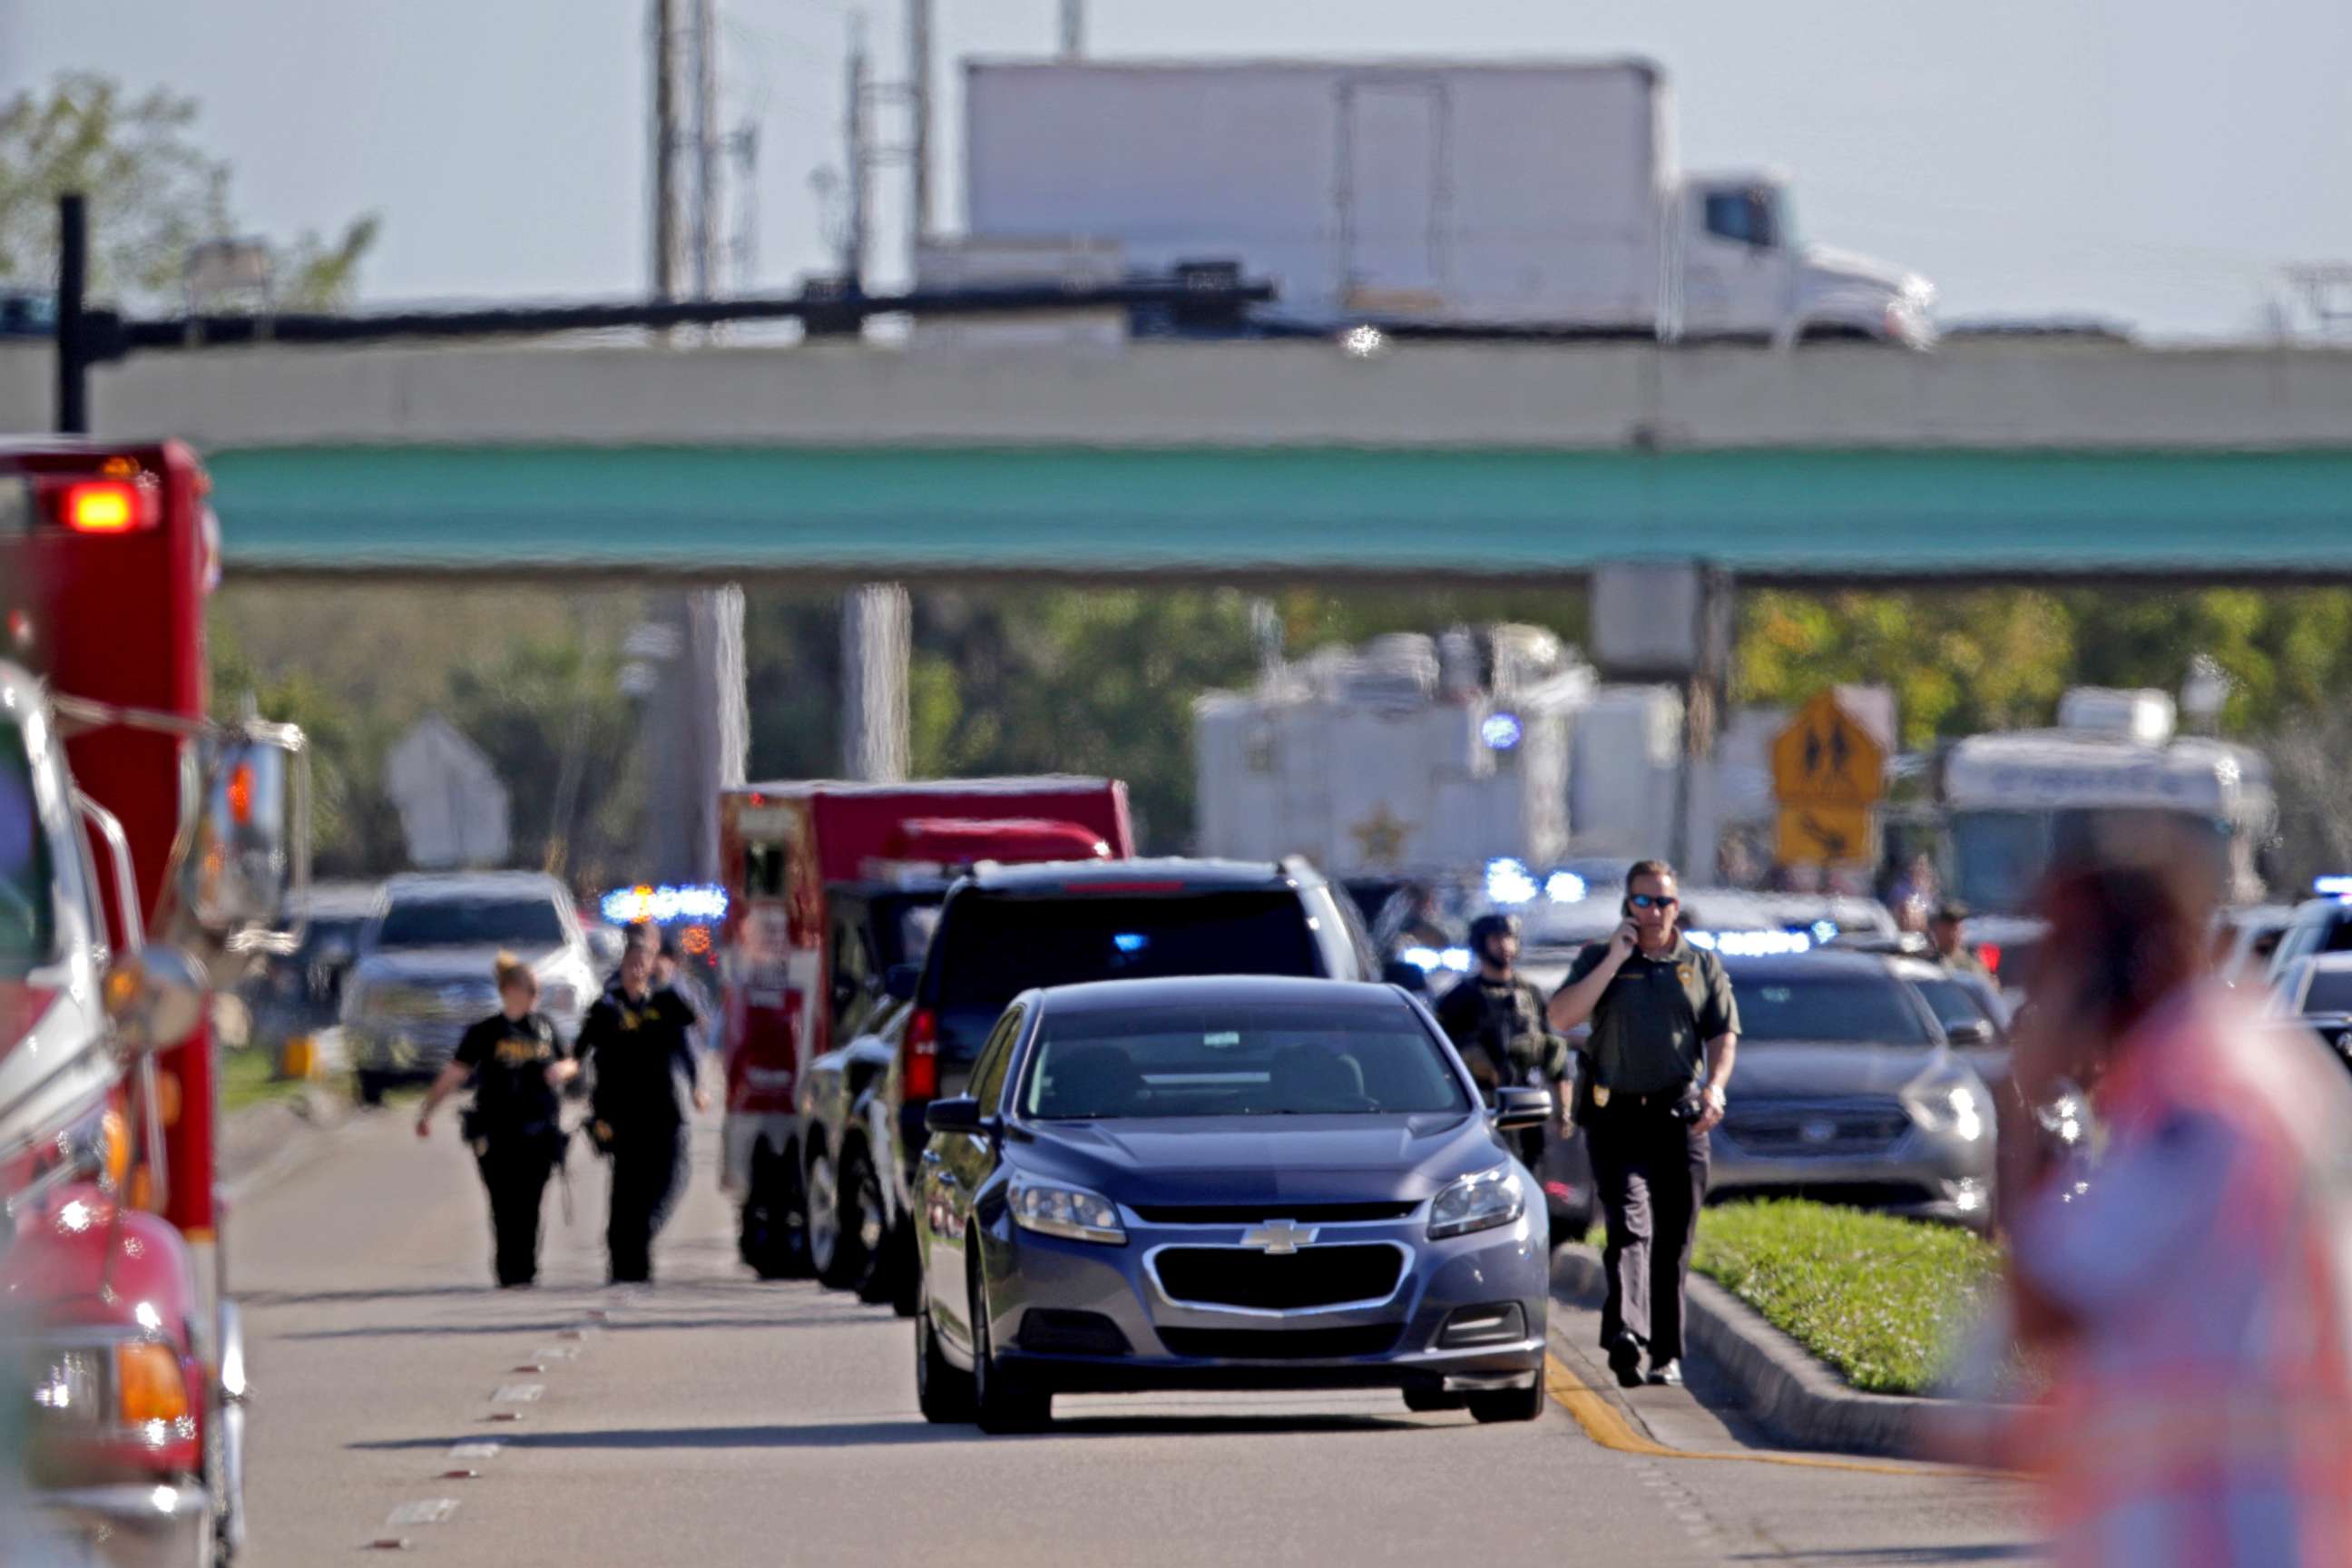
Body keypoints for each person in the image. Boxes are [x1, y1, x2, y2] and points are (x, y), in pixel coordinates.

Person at [1936, 859, 2352, 1566]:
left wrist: (2026, 1109)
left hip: (2218, 1525)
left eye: (2058, 963)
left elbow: (2049, 1299)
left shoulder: (2199, 1088)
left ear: (2105, 972)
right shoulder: (2236, 1056)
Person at [1547, 859, 1739, 1389]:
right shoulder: (1598, 958)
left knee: (1673, 1238)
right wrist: (1614, 958)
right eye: (1644, 901)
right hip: (1615, 1117)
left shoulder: (1700, 964)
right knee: (1630, 1226)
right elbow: (1561, 1018)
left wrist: (1716, 1087)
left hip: (1679, 1116)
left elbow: (1723, 1033)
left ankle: (1665, 1353)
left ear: (1678, 906)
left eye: (1665, 901)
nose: (1655, 911)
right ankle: (1629, 1334)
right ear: (1626, 906)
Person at [415, 954, 578, 1288]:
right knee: (503, 1203)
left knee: (531, 1203)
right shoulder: (485, 1032)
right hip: (497, 1133)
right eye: (531, 988)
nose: (536, 995)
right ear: (511, 990)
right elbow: (454, 1073)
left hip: (538, 1132)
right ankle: (508, 1270)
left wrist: (561, 1070)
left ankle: (526, 1269)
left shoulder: (545, 1028)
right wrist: (426, 1112)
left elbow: (571, 1063)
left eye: (538, 989)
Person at [575, 940, 709, 1285]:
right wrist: (565, 1077)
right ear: (621, 967)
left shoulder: (665, 1002)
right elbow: (579, 1051)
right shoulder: (607, 1007)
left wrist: (697, 1086)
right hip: (620, 1111)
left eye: (643, 963)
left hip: (663, 1109)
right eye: (630, 963)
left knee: (667, 1179)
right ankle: (625, 1267)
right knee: (626, 1189)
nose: (636, 970)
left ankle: (639, 1240)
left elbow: (691, 1035)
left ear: (652, 966)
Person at [1433, 912, 1573, 1165]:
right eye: (1497, 938)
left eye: (1510, 938)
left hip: (1528, 1109)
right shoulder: (1459, 999)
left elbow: (1553, 1052)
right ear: (1481, 943)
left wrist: (1564, 1108)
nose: (1505, 946)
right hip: (1481, 1111)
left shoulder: (1530, 994)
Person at [1928, 899, 1993, 982]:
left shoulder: (1971, 965)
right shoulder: (1927, 961)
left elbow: (1985, 988)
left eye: (1956, 928)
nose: (1953, 933)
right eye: (1947, 928)